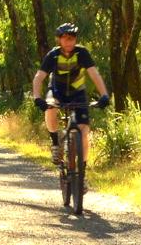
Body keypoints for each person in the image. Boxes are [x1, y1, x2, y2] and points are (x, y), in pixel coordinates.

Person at [32, 22, 110, 167]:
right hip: (57, 91)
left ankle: (82, 173)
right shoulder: (53, 55)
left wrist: (104, 95)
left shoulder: (82, 53)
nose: (69, 42)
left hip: (77, 92)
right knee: (50, 109)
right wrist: (37, 97)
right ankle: (56, 143)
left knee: (84, 132)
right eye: (65, 38)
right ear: (59, 40)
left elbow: (94, 74)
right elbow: (39, 77)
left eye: (72, 38)